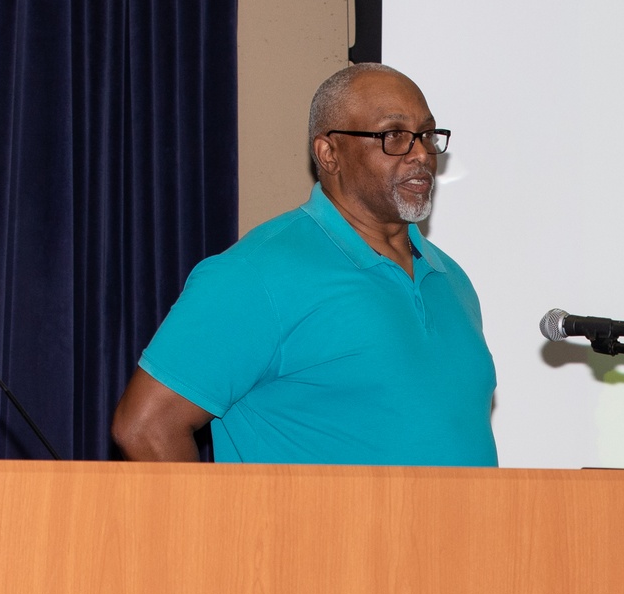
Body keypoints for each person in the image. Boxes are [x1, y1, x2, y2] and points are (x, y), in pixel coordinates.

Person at [111, 63, 497, 466]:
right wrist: (210, 530)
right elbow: (144, 425)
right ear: (329, 154)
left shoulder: (451, 280)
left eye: (426, 134)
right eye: (394, 135)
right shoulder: (256, 274)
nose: (420, 153)